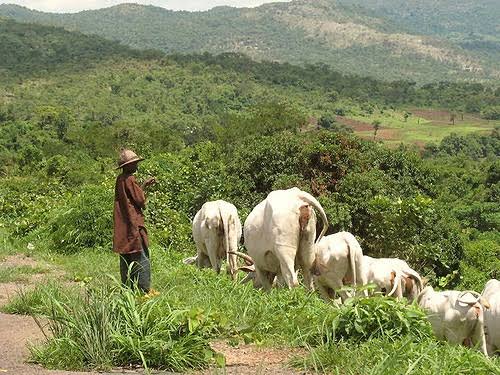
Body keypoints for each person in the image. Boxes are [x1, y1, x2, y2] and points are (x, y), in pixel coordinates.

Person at [113, 149, 156, 293]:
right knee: (141, 258)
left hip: (124, 227)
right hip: (134, 225)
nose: (136, 165)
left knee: (126, 258)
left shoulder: (120, 179)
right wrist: (144, 185)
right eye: (134, 163)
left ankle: (127, 290)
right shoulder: (130, 179)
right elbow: (140, 200)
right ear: (128, 166)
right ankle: (144, 291)